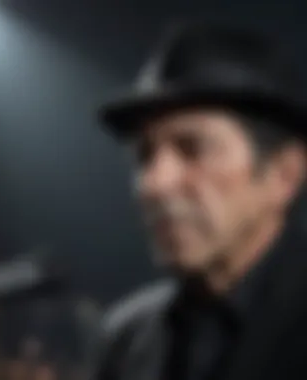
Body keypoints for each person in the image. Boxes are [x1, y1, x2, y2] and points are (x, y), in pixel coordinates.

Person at [92, 20, 307, 380]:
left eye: (193, 149)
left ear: (284, 175)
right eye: (143, 156)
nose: (153, 184)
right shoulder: (125, 340)